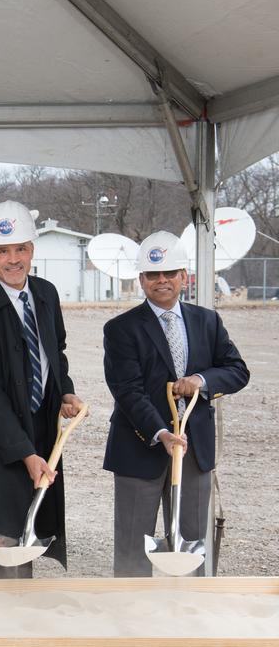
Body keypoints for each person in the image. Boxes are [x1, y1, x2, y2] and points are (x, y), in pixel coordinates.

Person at [102, 231, 249, 577]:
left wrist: (201, 380)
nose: (162, 280)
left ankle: (187, 617)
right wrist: (161, 433)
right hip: (141, 447)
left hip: (194, 450)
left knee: (191, 547)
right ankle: (133, 621)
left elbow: (237, 370)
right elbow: (127, 390)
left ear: (185, 276)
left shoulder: (206, 321)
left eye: (170, 272)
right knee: (133, 549)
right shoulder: (121, 329)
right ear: (142, 280)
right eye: (153, 274)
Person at [0, 201, 84, 579]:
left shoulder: (45, 295)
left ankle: (19, 620)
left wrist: (65, 392)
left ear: (32, 249)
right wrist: (25, 454)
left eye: (21, 249)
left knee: (26, 538)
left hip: (38, 436)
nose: (13, 259)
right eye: (3, 251)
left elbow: (54, 352)